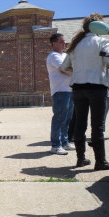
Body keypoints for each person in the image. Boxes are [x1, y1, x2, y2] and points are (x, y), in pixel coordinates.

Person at [61, 13, 109, 170]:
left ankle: (81, 159)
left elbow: (64, 67)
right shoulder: (103, 42)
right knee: (98, 126)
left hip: (78, 88)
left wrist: (78, 71)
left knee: (80, 125)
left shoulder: (75, 45)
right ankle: (100, 161)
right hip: (97, 87)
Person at [46, 33, 75, 155]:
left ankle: (65, 142)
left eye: (64, 41)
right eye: (61, 41)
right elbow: (65, 69)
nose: (64, 43)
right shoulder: (53, 56)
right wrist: (81, 72)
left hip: (69, 90)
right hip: (60, 91)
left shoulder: (65, 55)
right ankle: (55, 145)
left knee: (67, 118)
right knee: (59, 118)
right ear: (53, 43)